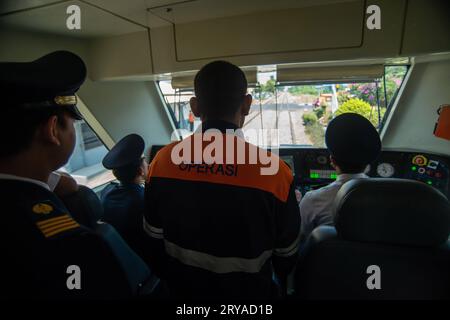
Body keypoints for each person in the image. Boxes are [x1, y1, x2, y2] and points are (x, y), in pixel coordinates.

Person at [144, 61, 300, 299]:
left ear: (195, 107)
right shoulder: (275, 172)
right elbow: (286, 258)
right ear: (247, 105)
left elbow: (153, 242)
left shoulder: (162, 162)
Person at [0, 51, 131, 298]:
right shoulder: (70, 246)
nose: (73, 128)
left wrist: (52, 180)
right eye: (72, 122)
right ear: (52, 130)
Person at [299, 113, 382, 243]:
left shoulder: (312, 200)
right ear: (369, 162)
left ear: (332, 160)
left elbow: (300, 238)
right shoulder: (390, 199)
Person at [101, 134, 149, 262]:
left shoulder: (106, 192)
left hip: (120, 258)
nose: (148, 163)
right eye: (145, 161)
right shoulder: (143, 200)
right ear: (140, 171)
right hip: (143, 258)